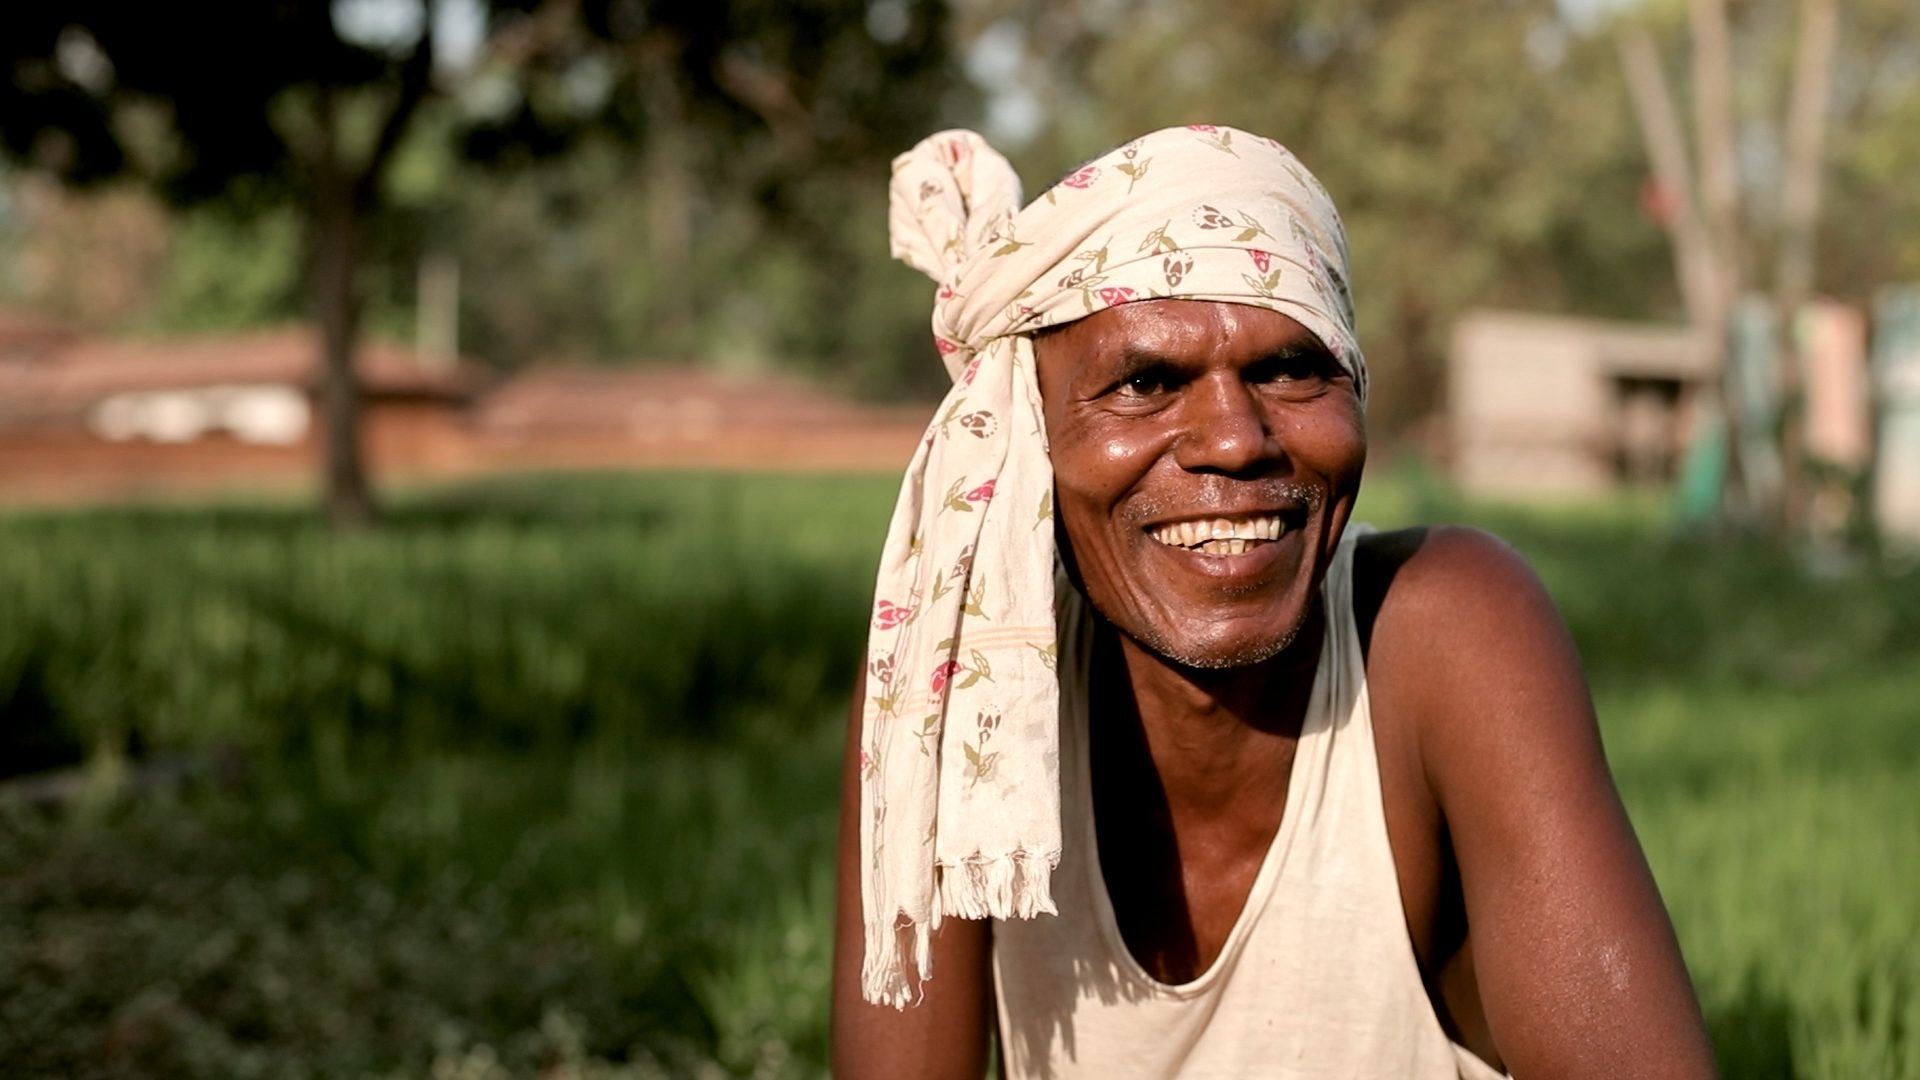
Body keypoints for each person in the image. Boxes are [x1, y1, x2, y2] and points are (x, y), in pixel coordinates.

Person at [831, 125, 1717, 1079]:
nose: (1236, 440)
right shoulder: (954, 685)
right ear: (1027, 435)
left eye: (1291, 370)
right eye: (1145, 382)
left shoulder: (1445, 631)